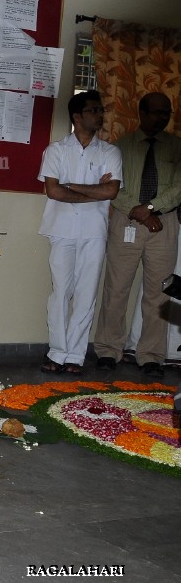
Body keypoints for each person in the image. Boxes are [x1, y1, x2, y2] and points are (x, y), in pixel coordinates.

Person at [93, 92, 181, 378]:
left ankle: (152, 355)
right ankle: (108, 350)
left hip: (164, 225)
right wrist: (139, 210)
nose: (162, 118)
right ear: (141, 113)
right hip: (126, 221)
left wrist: (153, 209)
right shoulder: (118, 148)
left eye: (166, 112)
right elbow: (113, 188)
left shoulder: (177, 148)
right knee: (116, 288)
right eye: (156, 112)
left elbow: (179, 187)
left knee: (159, 293)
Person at [37, 90, 122, 375]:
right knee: (60, 292)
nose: (100, 115)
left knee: (87, 293)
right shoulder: (56, 150)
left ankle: (75, 355)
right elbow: (53, 191)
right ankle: (57, 352)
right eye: (93, 110)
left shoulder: (110, 152)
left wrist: (71, 186)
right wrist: (93, 192)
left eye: (101, 110)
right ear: (77, 116)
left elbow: (111, 190)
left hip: (94, 231)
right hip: (61, 228)